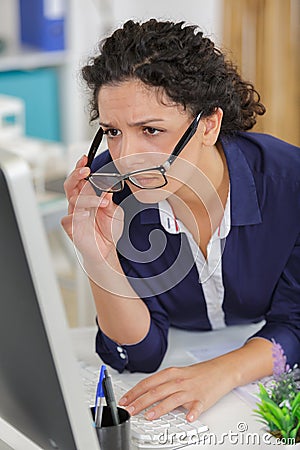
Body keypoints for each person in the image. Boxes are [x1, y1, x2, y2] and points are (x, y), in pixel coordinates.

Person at [62, 19, 300, 422]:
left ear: (209, 124)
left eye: (151, 130)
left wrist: (219, 373)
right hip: (175, 362)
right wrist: (99, 256)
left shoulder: (288, 183)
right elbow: (138, 354)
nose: (127, 158)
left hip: (256, 374)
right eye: (113, 132)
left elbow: (295, 323)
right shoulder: (109, 194)